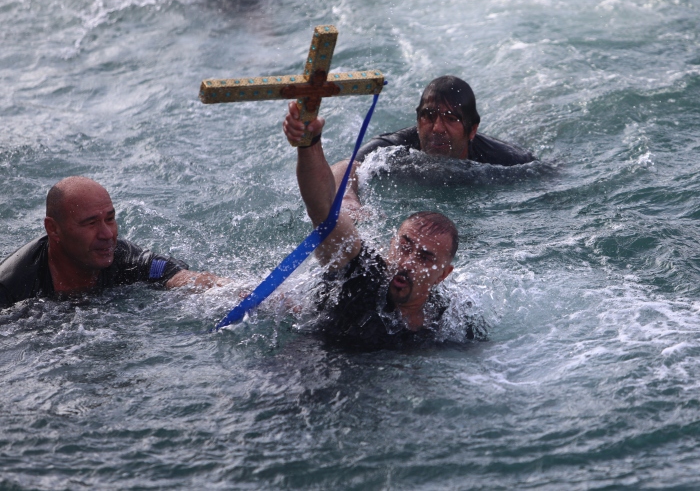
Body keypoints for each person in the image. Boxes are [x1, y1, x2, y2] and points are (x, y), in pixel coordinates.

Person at [283, 101, 486, 350]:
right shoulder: (361, 274)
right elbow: (323, 209)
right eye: (404, 246)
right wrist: (309, 143)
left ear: (442, 275)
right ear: (391, 244)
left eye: (424, 257)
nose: (407, 262)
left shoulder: (450, 319)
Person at [0, 176, 227, 309]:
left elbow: (169, 273)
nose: (107, 234)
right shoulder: (10, 289)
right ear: (53, 229)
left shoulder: (121, 256)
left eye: (110, 219)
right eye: (90, 223)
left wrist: (226, 289)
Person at [356, 75, 534, 166]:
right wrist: (348, 195)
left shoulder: (507, 161)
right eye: (429, 116)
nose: (437, 128)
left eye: (451, 119)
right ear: (418, 120)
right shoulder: (393, 148)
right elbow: (348, 167)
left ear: (472, 130)